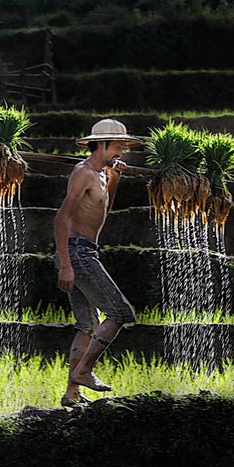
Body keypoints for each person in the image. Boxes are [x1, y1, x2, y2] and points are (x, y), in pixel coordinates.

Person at [54, 118, 143, 407]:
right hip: (76, 251)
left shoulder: (102, 174)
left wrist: (116, 177)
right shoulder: (83, 173)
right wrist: (66, 264)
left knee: (87, 324)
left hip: (85, 249)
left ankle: (71, 393)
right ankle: (85, 371)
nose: (121, 152)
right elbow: (62, 218)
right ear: (101, 145)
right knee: (120, 312)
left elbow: (102, 209)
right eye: (118, 146)